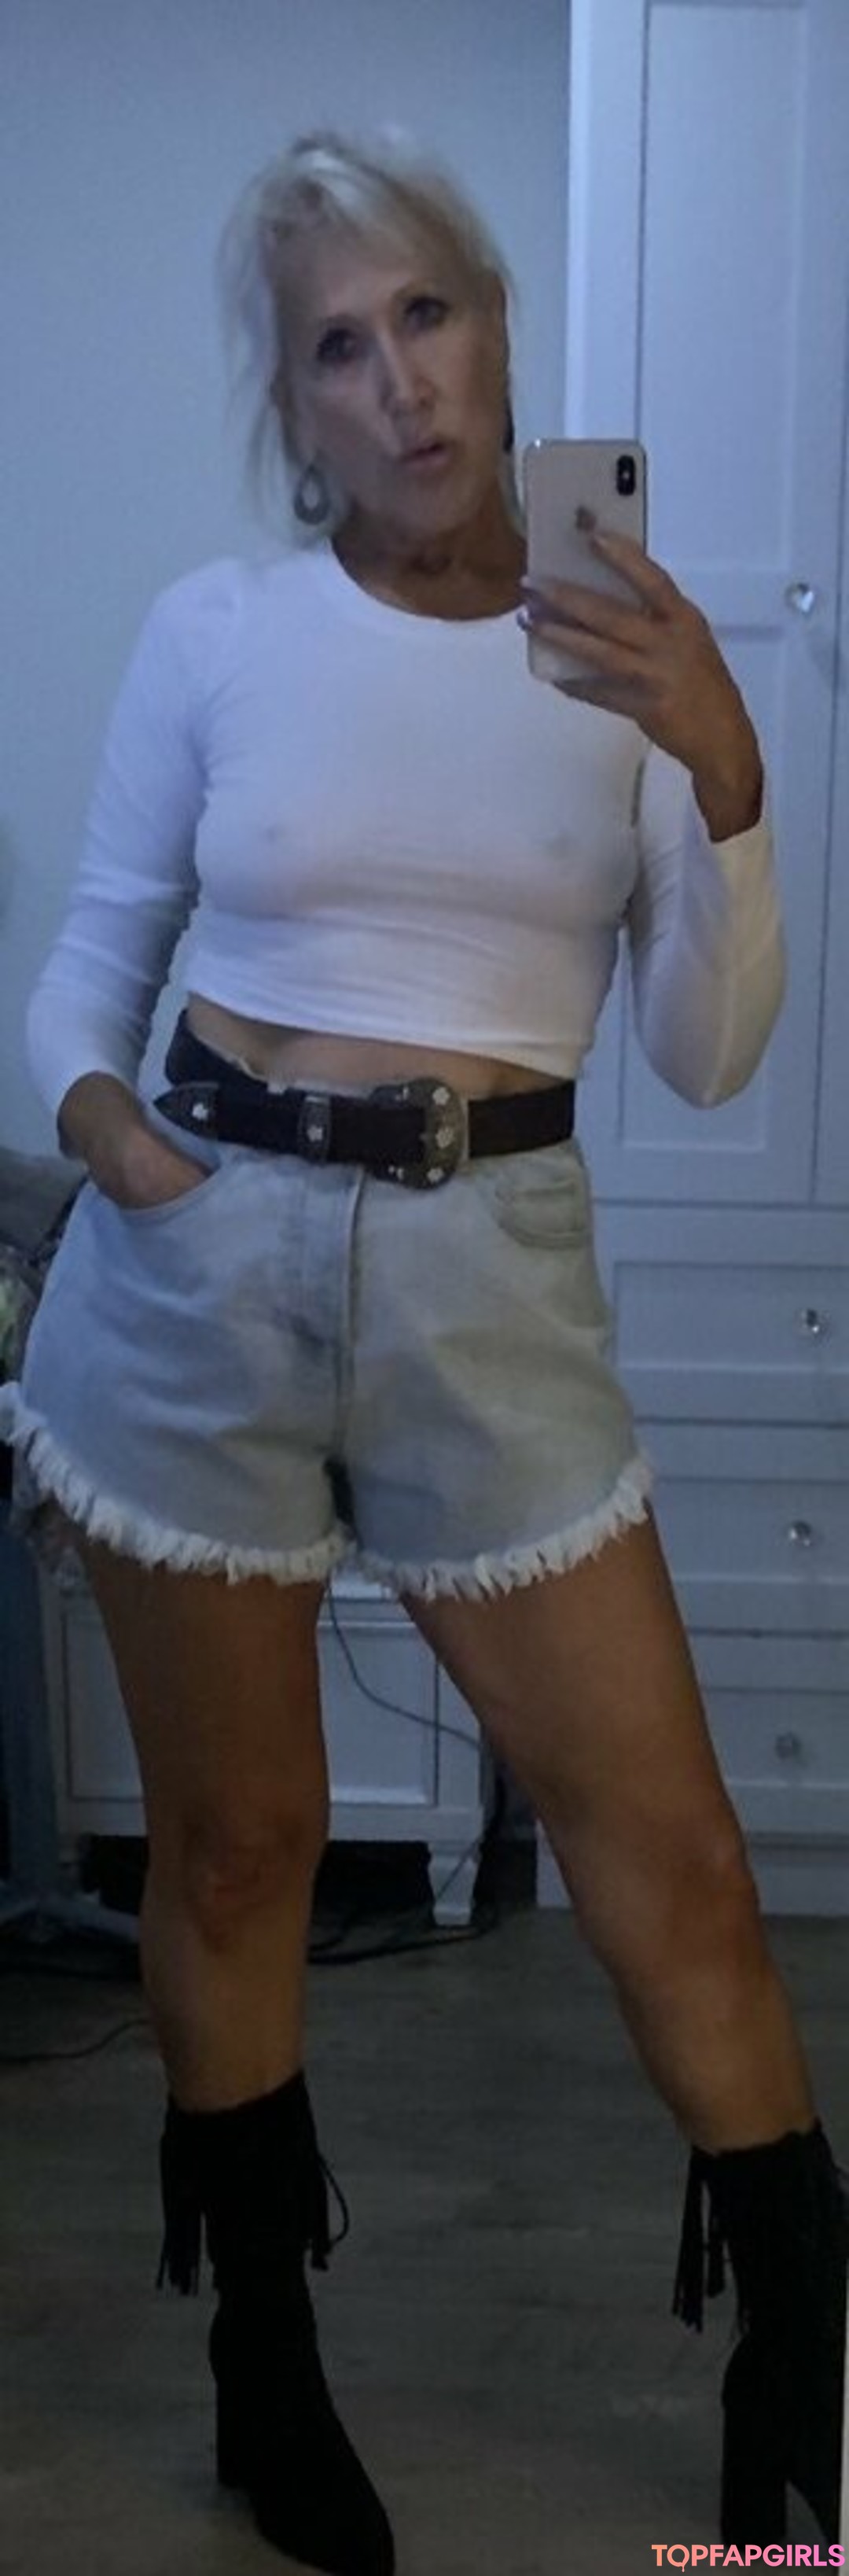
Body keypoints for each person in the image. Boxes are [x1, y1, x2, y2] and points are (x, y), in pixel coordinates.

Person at [2, 126, 846, 2575]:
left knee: (668, 1850)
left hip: (497, 1268)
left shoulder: (623, 655)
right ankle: (266, 2370)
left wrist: (729, 776)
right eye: (339, 349)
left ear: (496, 327)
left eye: (428, 317)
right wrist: (119, 1143)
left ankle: (796, 2356)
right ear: (298, 409)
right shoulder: (220, 634)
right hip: (199, 1261)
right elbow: (90, 969)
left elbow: (706, 1055)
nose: (400, 383)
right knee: (241, 1843)